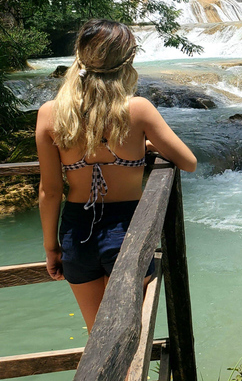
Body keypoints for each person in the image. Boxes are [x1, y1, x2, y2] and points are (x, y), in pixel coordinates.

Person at [35, 19, 197, 332]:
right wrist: (145, 145)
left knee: (98, 338)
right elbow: (187, 161)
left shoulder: (50, 114)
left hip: (75, 234)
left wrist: (51, 247)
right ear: (127, 62)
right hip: (127, 231)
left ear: (80, 58)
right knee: (124, 338)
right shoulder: (137, 109)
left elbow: (50, 191)